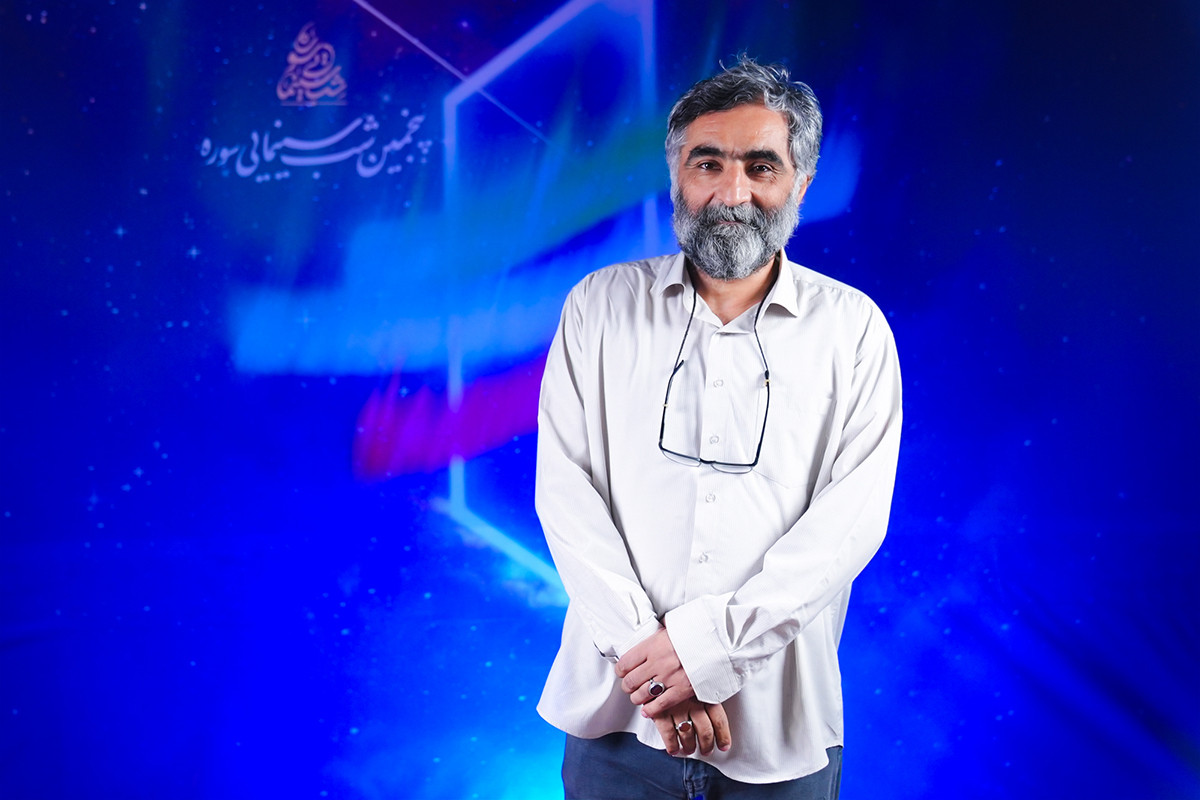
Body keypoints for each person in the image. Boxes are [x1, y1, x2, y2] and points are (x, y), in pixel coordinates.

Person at [534, 56, 902, 799]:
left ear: (801, 182)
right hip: (617, 721)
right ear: (677, 175)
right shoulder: (598, 307)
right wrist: (654, 667)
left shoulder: (854, 331)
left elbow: (848, 527)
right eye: (709, 164)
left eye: (761, 167)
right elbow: (565, 495)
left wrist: (706, 657)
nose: (732, 193)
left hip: (778, 735)